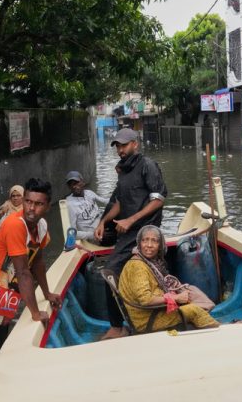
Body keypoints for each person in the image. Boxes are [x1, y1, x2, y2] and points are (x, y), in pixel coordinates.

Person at [0, 178, 62, 400]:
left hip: (4, 305)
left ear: (48, 206)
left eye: (38, 204)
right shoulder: (14, 225)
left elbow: (37, 261)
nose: (31, 207)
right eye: (28, 201)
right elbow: (23, 272)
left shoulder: (40, 226)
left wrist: (47, 293)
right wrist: (36, 313)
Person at [94, 128, 167, 339]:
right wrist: (103, 221)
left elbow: (158, 199)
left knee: (109, 270)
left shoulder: (148, 166)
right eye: (117, 146)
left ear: (135, 144)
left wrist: (131, 219)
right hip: (126, 232)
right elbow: (119, 202)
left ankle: (117, 327)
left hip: (145, 231)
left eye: (124, 145)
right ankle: (124, 321)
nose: (120, 150)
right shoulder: (123, 171)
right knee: (113, 272)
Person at [119, 225, 219, 333]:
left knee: (192, 292)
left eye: (154, 241)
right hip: (147, 319)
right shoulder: (138, 267)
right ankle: (217, 332)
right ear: (139, 243)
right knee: (193, 310)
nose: (149, 245)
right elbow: (145, 300)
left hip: (153, 311)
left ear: (160, 245)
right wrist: (176, 298)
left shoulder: (144, 261)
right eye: (145, 240)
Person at [65, 170, 109, 241]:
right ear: (69, 187)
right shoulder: (70, 204)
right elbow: (73, 232)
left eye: (77, 183)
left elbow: (105, 201)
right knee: (109, 237)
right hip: (92, 232)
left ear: (83, 182)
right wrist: (92, 235)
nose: (74, 186)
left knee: (114, 207)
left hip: (101, 221)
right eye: (71, 184)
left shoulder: (89, 193)